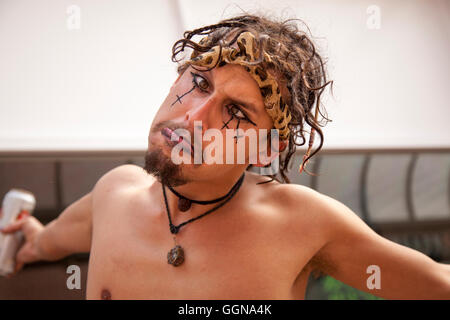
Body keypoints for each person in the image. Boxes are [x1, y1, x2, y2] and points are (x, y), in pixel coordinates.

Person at [1, 14, 449, 300]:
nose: (194, 118)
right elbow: (45, 242)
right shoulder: (113, 193)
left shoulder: (302, 222)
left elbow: (435, 285)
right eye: (198, 83)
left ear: (266, 148)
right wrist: (21, 240)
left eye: (235, 111)